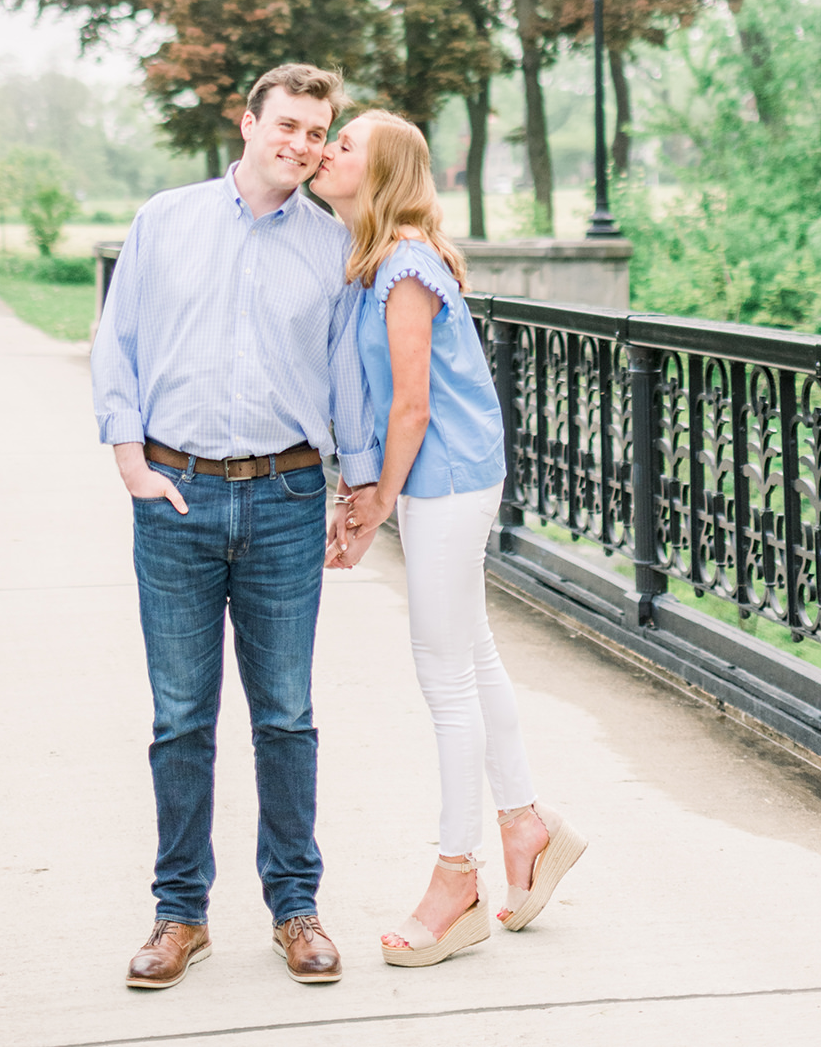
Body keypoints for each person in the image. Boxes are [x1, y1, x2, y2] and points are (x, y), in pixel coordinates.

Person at [92, 64, 382, 993]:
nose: (301, 146)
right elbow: (119, 341)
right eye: (288, 126)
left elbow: (347, 377)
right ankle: (180, 915)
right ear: (248, 122)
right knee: (181, 718)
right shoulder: (165, 221)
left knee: (286, 717)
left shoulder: (332, 245)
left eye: (317, 133)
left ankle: (295, 908)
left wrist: (360, 491)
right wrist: (132, 464)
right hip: (176, 496)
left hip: (288, 500)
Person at [314, 111, 586, 967]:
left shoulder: (402, 268)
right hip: (446, 479)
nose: (328, 152)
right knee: (471, 658)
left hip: (448, 482)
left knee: (445, 679)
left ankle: (456, 877)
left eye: (345, 144)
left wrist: (375, 504)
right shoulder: (377, 259)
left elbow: (411, 405)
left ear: (384, 171)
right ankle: (528, 828)